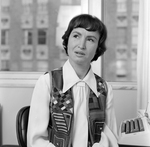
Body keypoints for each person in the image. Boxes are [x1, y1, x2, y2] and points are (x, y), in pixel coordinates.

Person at [27, 14, 118, 147]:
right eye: (76, 36)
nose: (81, 45)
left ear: (98, 47)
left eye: (90, 39)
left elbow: (110, 137)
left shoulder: (104, 89)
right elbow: (36, 140)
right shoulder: (47, 82)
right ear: (67, 40)